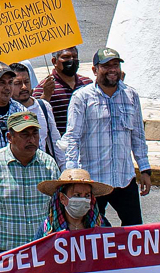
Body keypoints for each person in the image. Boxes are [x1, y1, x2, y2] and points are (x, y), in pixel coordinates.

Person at [60, 48, 151, 226]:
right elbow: (72, 137)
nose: (112, 70)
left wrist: (145, 169)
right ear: (95, 70)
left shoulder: (131, 95)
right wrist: (72, 174)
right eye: (106, 66)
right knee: (90, 230)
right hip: (94, 181)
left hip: (124, 178)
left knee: (134, 230)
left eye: (115, 65)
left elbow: (138, 135)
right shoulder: (82, 97)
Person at [0, 107, 62, 261]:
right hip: (2, 255)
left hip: (41, 252)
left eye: (35, 134)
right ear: (9, 137)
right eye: (25, 135)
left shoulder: (49, 164)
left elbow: (56, 209)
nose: (32, 140)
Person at [34, 47, 88, 135]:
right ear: (54, 61)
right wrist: (46, 96)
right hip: (60, 144)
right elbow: (36, 117)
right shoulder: (43, 87)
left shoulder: (87, 84)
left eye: (74, 57)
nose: (71, 60)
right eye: (66, 57)